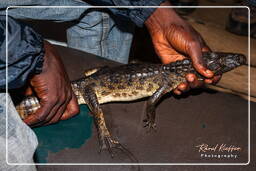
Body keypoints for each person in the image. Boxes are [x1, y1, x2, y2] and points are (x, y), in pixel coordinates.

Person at [0, 0, 220, 170]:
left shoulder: (174, 74)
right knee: (16, 155)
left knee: (107, 11)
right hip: (87, 86)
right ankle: (102, 135)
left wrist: (157, 11)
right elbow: (152, 102)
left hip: (93, 78)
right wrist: (32, 53)